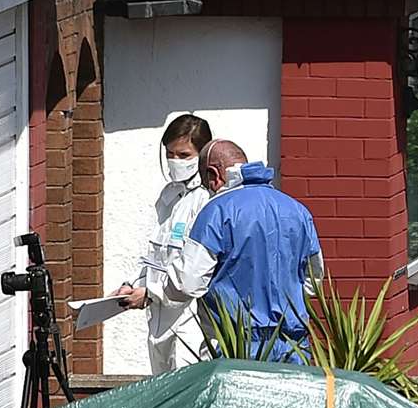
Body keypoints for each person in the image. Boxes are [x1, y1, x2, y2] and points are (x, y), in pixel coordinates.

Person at [164, 140, 323, 363]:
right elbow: (312, 281)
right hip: (292, 346)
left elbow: (187, 283)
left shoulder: (216, 211)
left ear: (213, 175)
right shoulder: (298, 211)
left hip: (235, 347)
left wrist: (158, 289)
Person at [111, 113, 214, 372]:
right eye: (170, 154)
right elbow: (155, 254)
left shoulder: (205, 200)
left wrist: (150, 293)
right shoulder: (168, 196)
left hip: (190, 321)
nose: (174, 161)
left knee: (185, 397)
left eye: (183, 155)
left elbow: (193, 273)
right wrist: (133, 284)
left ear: (202, 156)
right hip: (158, 318)